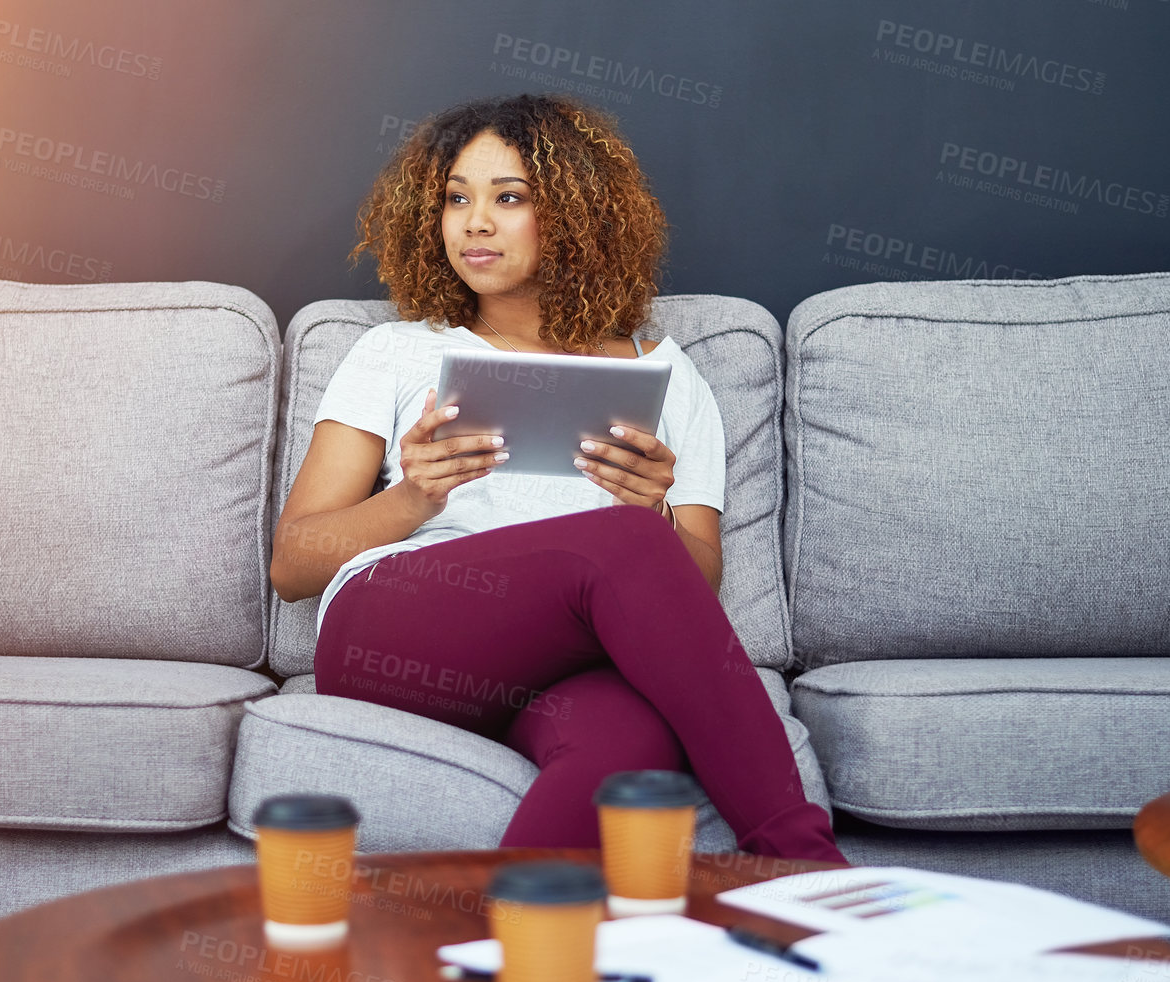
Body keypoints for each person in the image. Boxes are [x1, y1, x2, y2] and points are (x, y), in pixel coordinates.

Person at [269, 93, 844, 864]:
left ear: (576, 216)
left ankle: (504, 963)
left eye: (509, 198)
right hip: (396, 625)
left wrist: (659, 512)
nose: (474, 222)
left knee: (629, 752)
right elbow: (293, 565)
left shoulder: (670, 378)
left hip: (561, 664)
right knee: (623, 541)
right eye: (455, 199)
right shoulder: (396, 354)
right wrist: (415, 494)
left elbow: (695, 584)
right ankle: (807, 869)